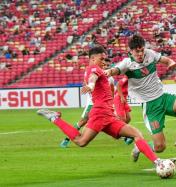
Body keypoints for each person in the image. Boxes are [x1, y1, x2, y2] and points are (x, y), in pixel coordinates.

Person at [37, 46, 166, 168]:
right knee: (81, 141)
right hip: (100, 113)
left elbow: (95, 80)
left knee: (136, 134)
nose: (104, 61)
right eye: (101, 59)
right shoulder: (94, 69)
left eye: (105, 59)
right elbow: (93, 78)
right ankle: (55, 118)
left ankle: (158, 162)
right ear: (93, 59)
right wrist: (92, 85)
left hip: (108, 115)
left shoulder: (92, 70)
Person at [105, 35, 176, 162]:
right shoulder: (127, 63)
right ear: (130, 51)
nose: (140, 53)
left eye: (142, 50)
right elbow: (116, 69)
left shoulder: (150, 53)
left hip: (163, 97)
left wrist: (171, 62)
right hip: (151, 106)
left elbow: (165, 60)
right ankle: (138, 147)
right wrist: (109, 71)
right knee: (160, 146)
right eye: (137, 51)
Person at [113, 76, 134, 145]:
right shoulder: (127, 77)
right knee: (122, 119)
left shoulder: (132, 78)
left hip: (123, 98)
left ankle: (121, 133)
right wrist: (121, 97)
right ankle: (124, 136)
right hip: (119, 98)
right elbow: (118, 84)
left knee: (128, 118)